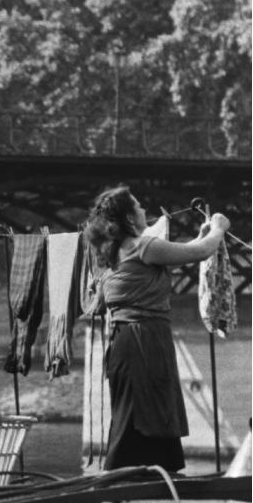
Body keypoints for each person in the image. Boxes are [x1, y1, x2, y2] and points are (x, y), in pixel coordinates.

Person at [83, 185, 231, 472]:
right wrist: (219, 228)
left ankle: (149, 477)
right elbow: (201, 252)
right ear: (127, 218)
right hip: (143, 342)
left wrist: (202, 235)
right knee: (143, 413)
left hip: (127, 343)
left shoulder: (117, 253)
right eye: (137, 206)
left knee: (141, 411)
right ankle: (120, 480)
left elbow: (181, 254)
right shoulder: (144, 246)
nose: (143, 211)